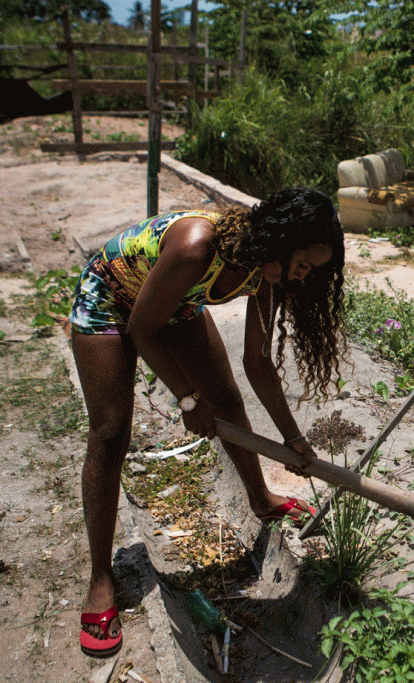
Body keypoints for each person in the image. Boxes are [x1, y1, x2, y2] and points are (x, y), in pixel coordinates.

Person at [68, 186, 346, 658]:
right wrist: (187, 401)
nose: (303, 275)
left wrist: (293, 437)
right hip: (111, 301)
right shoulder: (198, 245)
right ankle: (100, 578)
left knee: (227, 398)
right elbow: (140, 328)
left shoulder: (266, 274)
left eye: (313, 270)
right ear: (282, 237)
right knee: (112, 432)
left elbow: (257, 362)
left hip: (172, 305)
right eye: (304, 262)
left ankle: (260, 499)